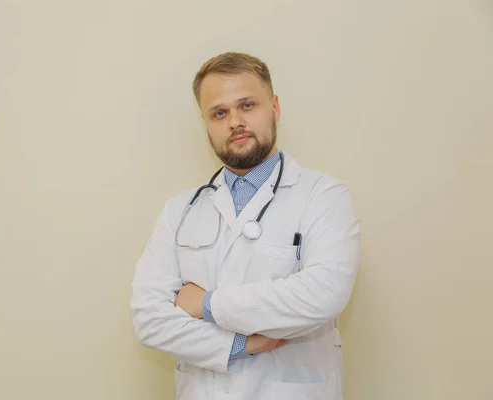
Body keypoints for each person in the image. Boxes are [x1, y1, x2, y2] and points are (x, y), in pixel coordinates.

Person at [130, 51, 361, 400]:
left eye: (247, 105)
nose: (235, 121)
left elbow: (323, 295)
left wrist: (206, 304)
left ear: (275, 107)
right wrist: (244, 343)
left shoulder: (323, 196)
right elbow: (148, 318)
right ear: (205, 123)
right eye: (219, 113)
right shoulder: (179, 210)